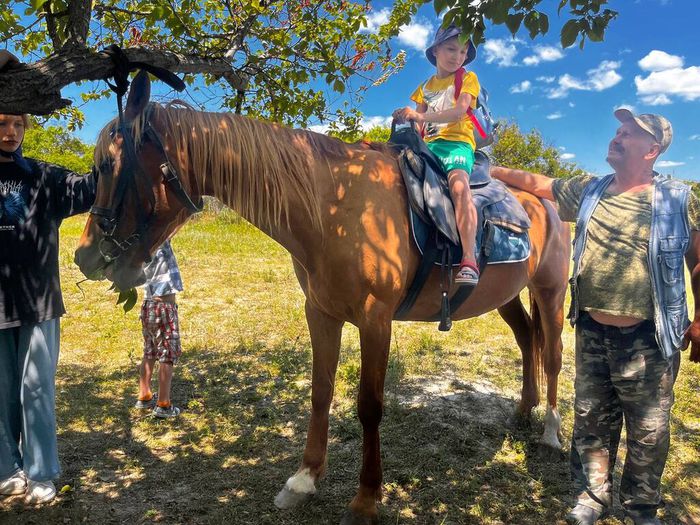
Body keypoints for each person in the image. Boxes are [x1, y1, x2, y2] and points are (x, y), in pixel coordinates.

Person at [490, 109, 700, 525]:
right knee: (590, 422)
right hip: (592, 330)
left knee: (648, 432)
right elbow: (541, 184)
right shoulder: (590, 190)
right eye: (618, 130)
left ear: (652, 150)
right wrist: (487, 166)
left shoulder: (678, 198)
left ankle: (641, 508)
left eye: (630, 134)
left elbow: (698, 261)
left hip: (651, 337)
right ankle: (591, 498)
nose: (617, 137)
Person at [0, 106, 97, 503]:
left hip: (39, 302)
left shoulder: (43, 176)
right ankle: (7, 469)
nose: (10, 132)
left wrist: (119, 146)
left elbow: (93, 186)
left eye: (17, 124)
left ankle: (41, 473)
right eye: (2, 123)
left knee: (37, 389)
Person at [391, 24, 482, 286]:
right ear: (436, 51)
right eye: (451, 49)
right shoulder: (425, 86)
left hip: (456, 144)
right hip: (428, 146)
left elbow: (459, 111)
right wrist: (407, 120)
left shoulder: (468, 79)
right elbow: (419, 126)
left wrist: (419, 114)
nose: (457, 56)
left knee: (459, 188)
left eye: (463, 52)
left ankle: (469, 258)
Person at [134, 240, 183, 419]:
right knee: (167, 354)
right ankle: (163, 404)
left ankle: (144, 395)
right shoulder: (159, 238)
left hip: (148, 305)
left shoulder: (140, 245)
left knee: (150, 351)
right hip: (164, 307)